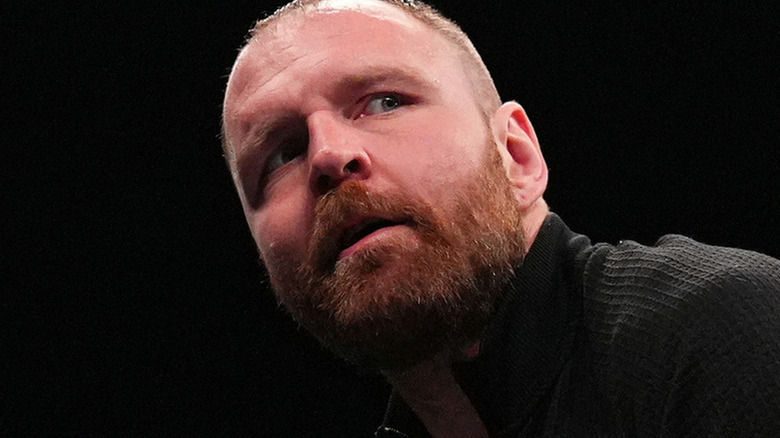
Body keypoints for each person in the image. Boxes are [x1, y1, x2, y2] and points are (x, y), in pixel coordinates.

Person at [220, 0, 780, 436]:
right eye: (282, 152)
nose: (326, 156)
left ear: (516, 157)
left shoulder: (726, 335)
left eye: (385, 101)